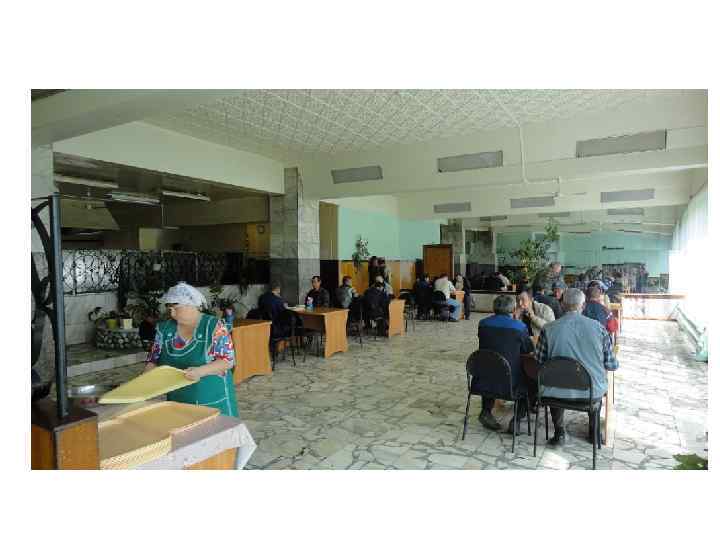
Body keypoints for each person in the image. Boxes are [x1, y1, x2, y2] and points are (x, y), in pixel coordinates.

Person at [535, 288, 619, 447]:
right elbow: (611, 364)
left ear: (562, 304)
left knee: (556, 381)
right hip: (590, 393)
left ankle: (559, 432)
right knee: (595, 383)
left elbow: (539, 360)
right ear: (583, 305)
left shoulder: (548, 329)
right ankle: (594, 433)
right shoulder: (599, 328)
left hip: (554, 392)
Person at [144, 282, 239, 417]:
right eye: (169, 309)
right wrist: (145, 381)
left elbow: (227, 361)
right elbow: (153, 360)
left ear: (191, 305)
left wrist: (200, 371)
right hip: (178, 397)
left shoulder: (214, 326)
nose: (172, 313)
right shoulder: (164, 329)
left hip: (212, 398)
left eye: (176, 308)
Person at [474, 295, 535, 432]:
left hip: (483, 378)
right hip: (510, 381)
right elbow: (528, 349)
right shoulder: (519, 327)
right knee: (532, 381)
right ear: (513, 309)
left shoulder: (483, 324)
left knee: (492, 366)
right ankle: (516, 419)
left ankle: (486, 411)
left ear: (493, 308)